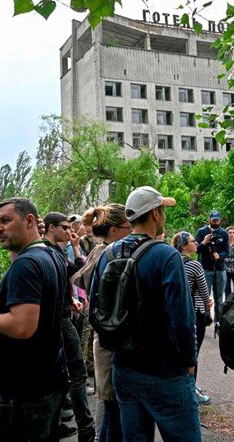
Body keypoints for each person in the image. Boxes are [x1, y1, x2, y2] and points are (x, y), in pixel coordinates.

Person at [90, 186, 200, 442]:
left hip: (124, 370)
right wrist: (189, 361)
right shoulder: (166, 255)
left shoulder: (107, 254)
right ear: (155, 214)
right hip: (165, 372)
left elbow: (95, 314)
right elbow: (182, 319)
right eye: (163, 210)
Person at [0, 197, 68, 442]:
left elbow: (22, 327)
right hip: (48, 379)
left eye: (5, 220)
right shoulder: (52, 255)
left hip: (26, 391)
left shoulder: (26, 265)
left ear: (29, 221)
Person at [74, 204, 131, 442]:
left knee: (107, 403)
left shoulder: (100, 250)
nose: (132, 230)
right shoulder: (107, 253)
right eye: (129, 226)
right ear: (115, 230)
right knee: (109, 407)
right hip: (107, 339)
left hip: (104, 336)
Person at [42, 212, 94, 442]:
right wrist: (75, 248)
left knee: (63, 371)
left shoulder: (50, 250)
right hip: (59, 319)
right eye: (64, 227)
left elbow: (66, 277)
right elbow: (77, 272)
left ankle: (61, 421)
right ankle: (85, 426)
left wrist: (69, 297)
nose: (69, 230)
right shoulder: (47, 251)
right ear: (51, 227)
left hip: (62, 312)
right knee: (76, 372)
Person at [172, 231, 212, 405]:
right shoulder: (195, 266)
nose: (197, 243)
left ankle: (184, 386)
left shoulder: (172, 262)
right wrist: (208, 313)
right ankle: (191, 389)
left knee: (180, 352)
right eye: (192, 241)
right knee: (193, 353)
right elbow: (204, 293)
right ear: (183, 245)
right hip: (195, 312)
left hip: (176, 312)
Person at [195, 210, 229, 330]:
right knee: (205, 296)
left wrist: (220, 256)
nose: (215, 222)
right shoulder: (201, 232)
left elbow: (226, 250)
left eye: (217, 220)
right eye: (213, 220)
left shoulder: (224, 233)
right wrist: (204, 242)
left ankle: (218, 322)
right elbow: (196, 249)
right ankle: (205, 319)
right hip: (205, 269)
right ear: (209, 219)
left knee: (219, 297)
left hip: (219, 269)